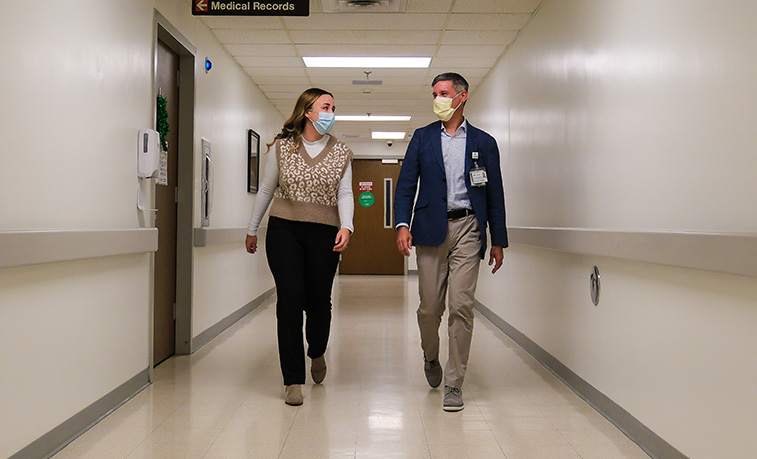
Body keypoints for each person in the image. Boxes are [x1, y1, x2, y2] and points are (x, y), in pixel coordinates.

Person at [394, 72, 508, 412]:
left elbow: (495, 194)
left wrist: (498, 239)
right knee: (430, 308)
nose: (438, 99)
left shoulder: (484, 143)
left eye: (443, 93)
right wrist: (402, 224)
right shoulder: (422, 137)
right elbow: (405, 185)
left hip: (469, 226)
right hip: (429, 227)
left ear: (462, 96)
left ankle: (454, 383)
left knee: (461, 306)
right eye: (434, 94)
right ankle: (431, 356)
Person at [245, 88, 354, 406]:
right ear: (308, 111)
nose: (331, 111)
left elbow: (345, 194)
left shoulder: (341, 152)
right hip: (284, 230)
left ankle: (317, 351)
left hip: (325, 232)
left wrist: (347, 225)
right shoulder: (282, 147)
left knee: (319, 301)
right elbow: (266, 189)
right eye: (325, 106)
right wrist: (252, 229)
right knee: (289, 300)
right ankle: (293, 379)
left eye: (334, 106)